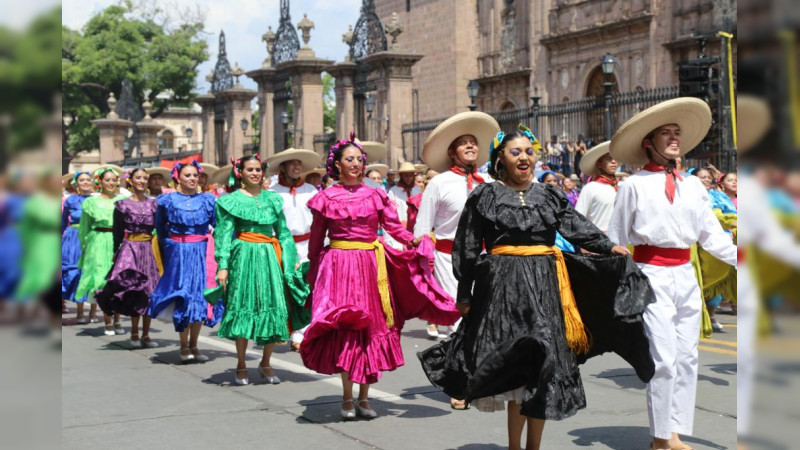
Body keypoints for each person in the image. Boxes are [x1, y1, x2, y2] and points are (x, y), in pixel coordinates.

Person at [419, 124, 650, 450]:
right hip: (503, 290)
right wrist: (464, 292)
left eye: (529, 151)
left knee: (545, 368)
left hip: (546, 286)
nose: (524, 157)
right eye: (516, 152)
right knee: (519, 370)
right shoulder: (485, 196)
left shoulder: (550, 194)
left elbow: (576, 226)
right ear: (500, 158)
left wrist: (608, 247)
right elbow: (468, 247)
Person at [607, 97, 737, 450]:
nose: (674, 138)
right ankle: (661, 437)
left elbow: (711, 235)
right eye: (666, 133)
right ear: (649, 142)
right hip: (651, 276)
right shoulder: (633, 186)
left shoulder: (694, 186)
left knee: (687, 356)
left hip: (685, 276)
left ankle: (674, 430)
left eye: (677, 132)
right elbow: (615, 238)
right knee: (663, 359)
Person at [302, 132, 457, 420]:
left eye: (360, 159)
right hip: (338, 265)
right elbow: (316, 238)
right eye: (350, 159)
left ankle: (364, 397)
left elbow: (393, 228)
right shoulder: (326, 197)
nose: (356, 164)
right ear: (337, 164)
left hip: (371, 266)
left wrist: (412, 240)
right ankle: (347, 397)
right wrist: (313, 269)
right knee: (346, 327)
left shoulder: (375, 193)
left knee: (370, 328)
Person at [414, 111, 500, 345]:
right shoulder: (439, 183)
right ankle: (462, 370)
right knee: (459, 317)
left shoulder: (489, 182)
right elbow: (422, 229)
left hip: (484, 257)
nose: (471, 146)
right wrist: (425, 266)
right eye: (464, 144)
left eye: (473, 142)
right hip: (448, 257)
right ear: (452, 153)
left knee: (485, 313)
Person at [211, 155, 298, 385]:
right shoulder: (230, 200)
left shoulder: (273, 199)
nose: (255, 173)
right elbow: (222, 235)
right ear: (240, 172)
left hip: (270, 255)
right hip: (243, 255)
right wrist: (223, 266)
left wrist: (291, 260)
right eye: (250, 169)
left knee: (274, 306)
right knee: (243, 306)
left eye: (258, 169)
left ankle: (265, 362)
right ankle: (241, 363)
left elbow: (283, 232)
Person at [149, 161, 217, 363]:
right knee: (183, 296)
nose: (192, 178)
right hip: (178, 252)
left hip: (202, 252)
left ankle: (195, 345)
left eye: (195, 175)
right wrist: (171, 245)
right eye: (187, 175)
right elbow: (160, 227)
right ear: (178, 177)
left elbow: (217, 225)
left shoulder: (208, 200)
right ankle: (183, 345)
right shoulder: (167, 200)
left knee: (200, 298)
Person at [95, 168, 160, 348]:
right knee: (133, 288)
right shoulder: (121, 205)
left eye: (144, 178)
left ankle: (146, 335)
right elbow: (117, 233)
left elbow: (160, 228)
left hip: (148, 248)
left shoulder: (154, 204)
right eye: (138, 177)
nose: (142, 181)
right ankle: (133, 333)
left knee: (149, 290)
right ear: (130, 181)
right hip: (129, 249)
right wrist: (116, 254)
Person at [266, 148, 321, 352]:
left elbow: (319, 219)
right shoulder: (272, 193)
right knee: (287, 287)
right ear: (283, 167)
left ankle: (303, 331)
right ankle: (289, 329)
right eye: (292, 164)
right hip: (283, 245)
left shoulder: (311, 190)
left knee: (307, 287)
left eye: (299, 164)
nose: (297, 167)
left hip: (309, 245)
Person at [75, 167, 126, 336]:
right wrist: (85, 248)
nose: (111, 183)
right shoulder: (91, 202)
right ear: (100, 182)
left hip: (118, 241)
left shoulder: (124, 199)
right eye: (107, 180)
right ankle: (108, 321)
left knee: (118, 281)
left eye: (114, 180)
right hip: (98, 241)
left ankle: (118, 319)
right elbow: (84, 228)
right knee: (102, 282)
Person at [62, 172, 94, 321]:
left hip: (93, 237)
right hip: (74, 238)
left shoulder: (97, 200)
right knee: (76, 272)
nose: (86, 182)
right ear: (76, 183)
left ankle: (93, 312)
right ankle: (80, 311)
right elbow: (62, 222)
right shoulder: (70, 200)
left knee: (94, 272)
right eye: (82, 180)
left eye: (88, 179)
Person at [574, 142, 617, 233]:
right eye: (608, 159)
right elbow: (578, 218)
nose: (613, 161)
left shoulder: (618, 187)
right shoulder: (590, 188)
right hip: (598, 240)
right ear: (599, 164)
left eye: (615, 158)